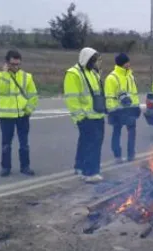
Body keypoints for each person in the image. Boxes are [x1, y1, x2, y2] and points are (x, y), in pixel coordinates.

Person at [63, 47, 106, 183]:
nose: (94, 63)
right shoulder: (74, 74)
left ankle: (80, 167)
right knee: (91, 145)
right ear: (85, 59)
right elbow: (72, 98)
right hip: (86, 117)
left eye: (95, 60)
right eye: (92, 60)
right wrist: (80, 117)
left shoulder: (93, 73)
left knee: (88, 143)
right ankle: (90, 173)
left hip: (97, 115)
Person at [0, 50, 38, 177]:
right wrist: (5, 74)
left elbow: (33, 96)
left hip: (23, 115)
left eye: (18, 64)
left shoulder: (27, 77)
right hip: (6, 116)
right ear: (7, 63)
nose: (16, 67)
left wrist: (28, 110)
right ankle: (5, 167)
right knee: (6, 143)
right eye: (13, 64)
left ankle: (25, 166)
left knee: (24, 143)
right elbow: (2, 89)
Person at [104, 53, 140, 163]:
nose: (129, 64)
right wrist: (111, 111)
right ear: (123, 63)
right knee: (117, 133)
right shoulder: (111, 77)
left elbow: (134, 93)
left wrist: (136, 106)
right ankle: (117, 156)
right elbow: (109, 96)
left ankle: (131, 155)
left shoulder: (130, 76)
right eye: (127, 62)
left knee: (131, 132)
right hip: (117, 111)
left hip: (130, 110)